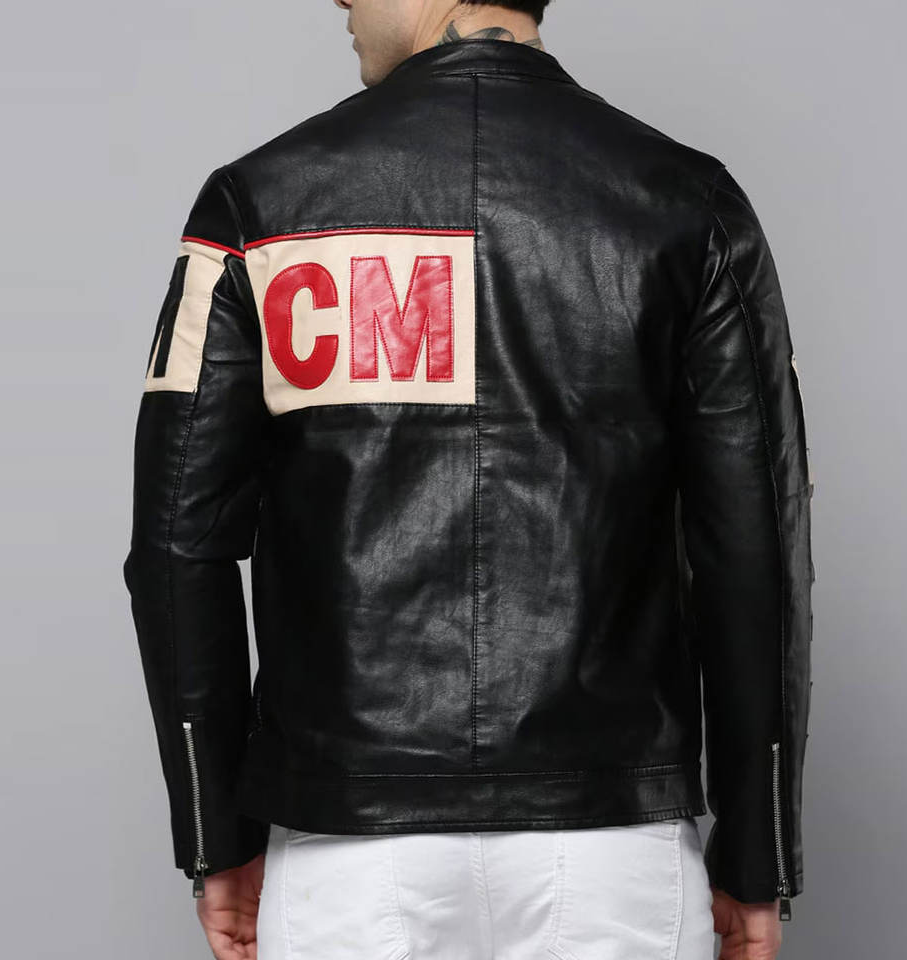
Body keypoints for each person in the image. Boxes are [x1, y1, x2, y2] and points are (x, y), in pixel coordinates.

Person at [122, 1, 815, 958]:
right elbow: (755, 550)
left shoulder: (258, 204)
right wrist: (755, 850)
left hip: (347, 853)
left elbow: (176, 545)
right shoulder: (689, 202)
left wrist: (218, 833)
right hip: (611, 844)